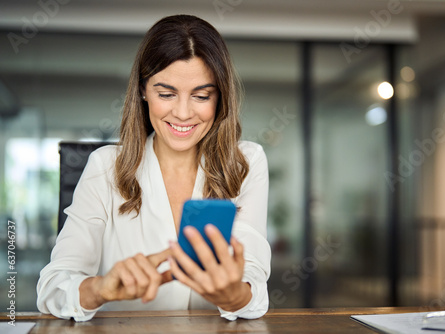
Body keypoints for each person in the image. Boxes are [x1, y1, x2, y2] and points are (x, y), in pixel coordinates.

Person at [37, 14, 271, 322]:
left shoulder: (245, 162)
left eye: (201, 96)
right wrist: (101, 289)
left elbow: (253, 284)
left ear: (220, 97)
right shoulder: (105, 166)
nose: (184, 113)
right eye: (166, 94)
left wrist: (234, 295)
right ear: (143, 90)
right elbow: (52, 288)